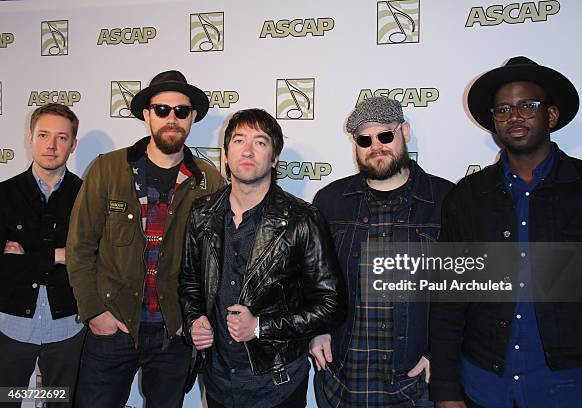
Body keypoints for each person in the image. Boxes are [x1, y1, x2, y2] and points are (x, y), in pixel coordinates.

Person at [429, 56, 582, 408]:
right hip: (484, 385)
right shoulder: (466, 197)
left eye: (528, 105)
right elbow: (449, 303)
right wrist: (446, 392)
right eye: (503, 109)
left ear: (552, 116)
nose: (515, 116)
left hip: (574, 387)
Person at [66, 70, 224, 408]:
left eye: (181, 111)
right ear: (147, 114)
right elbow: (80, 247)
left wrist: (194, 317)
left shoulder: (209, 181)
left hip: (174, 335)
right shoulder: (108, 169)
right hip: (112, 327)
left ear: (192, 117)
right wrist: (94, 312)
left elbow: (218, 260)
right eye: (162, 109)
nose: (172, 118)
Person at [179, 108, 346, 408]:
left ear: (274, 158)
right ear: (226, 155)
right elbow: (190, 282)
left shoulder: (302, 219)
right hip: (217, 380)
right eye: (239, 140)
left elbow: (331, 305)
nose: (247, 150)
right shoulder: (202, 213)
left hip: (277, 385)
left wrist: (260, 325)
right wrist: (194, 319)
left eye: (260, 142)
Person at [309, 96, 453, 407]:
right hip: (341, 379)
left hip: (415, 380)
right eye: (364, 139)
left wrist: (439, 351)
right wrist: (316, 330)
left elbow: (462, 289)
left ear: (406, 132)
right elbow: (311, 279)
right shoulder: (330, 201)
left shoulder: (446, 200)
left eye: (385, 135)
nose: (376, 146)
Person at [0, 103, 83, 407]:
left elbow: (89, 261)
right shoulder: (4, 195)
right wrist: (57, 255)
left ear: (73, 145)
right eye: (43, 135)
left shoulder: (87, 197)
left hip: (68, 330)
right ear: (30, 139)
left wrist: (23, 260)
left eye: (62, 137)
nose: (51, 145)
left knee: (60, 403)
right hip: (10, 328)